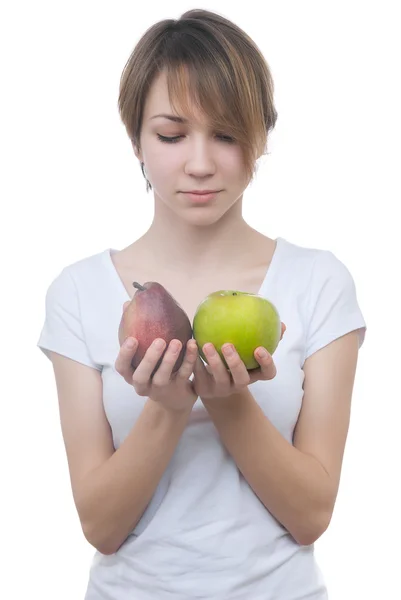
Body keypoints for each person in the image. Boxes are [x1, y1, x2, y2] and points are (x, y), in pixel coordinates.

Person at [37, 8, 367, 600]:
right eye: (170, 134)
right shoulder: (79, 292)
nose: (199, 163)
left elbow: (312, 516)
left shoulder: (318, 282)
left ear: (261, 138)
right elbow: (101, 529)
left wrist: (230, 403)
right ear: (134, 135)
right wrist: (166, 408)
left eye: (226, 134)